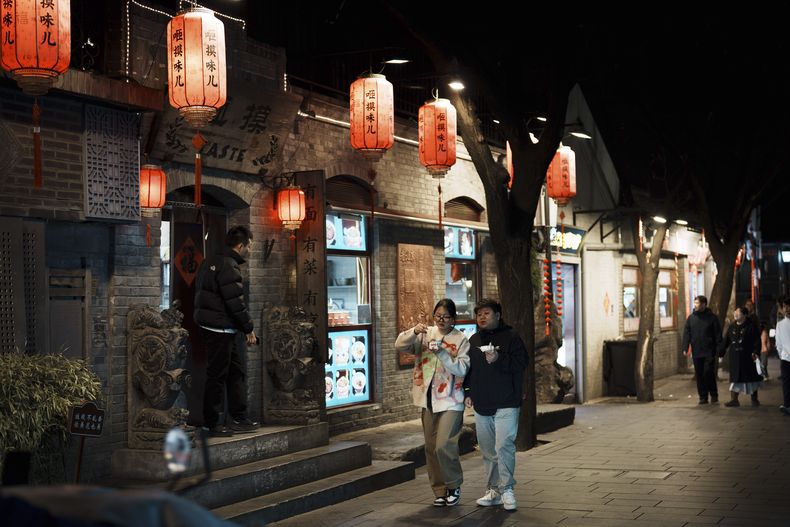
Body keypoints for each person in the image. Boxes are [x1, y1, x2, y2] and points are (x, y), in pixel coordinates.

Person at [394, 299, 470, 507]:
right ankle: (439, 490)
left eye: (446, 317)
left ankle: (454, 485)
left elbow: (462, 370)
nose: (441, 320)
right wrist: (414, 331)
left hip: (452, 401)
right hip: (427, 399)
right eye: (438, 316)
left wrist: (442, 353)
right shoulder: (426, 334)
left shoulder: (461, 339)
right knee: (430, 447)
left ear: (453, 319)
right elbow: (400, 345)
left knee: (444, 445)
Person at [194, 226, 259, 437]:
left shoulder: (210, 261)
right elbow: (235, 302)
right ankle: (211, 423)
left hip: (218, 327)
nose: (249, 250)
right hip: (219, 328)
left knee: (234, 372)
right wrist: (248, 328)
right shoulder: (229, 265)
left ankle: (238, 417)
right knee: (217, 375)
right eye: (249, 246)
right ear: (240, 246)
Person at [463, 299, 527, 512]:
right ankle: (494, 491)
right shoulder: (473, 340)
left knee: (504, 446)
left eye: (487, 313)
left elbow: (521, 363)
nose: (482, 317)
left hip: (507, 402)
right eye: (479, 314)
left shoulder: (512, 337)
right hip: (482, 403)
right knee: (488, 450)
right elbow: (470, 370)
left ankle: (507, 489)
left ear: (498, 315)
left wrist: (498, 357)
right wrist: (469, 391)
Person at [681, 295, 723, 404]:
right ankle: (703, 396)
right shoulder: (691, 318)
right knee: (699, 374)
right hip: (697, 351)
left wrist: (719, 349)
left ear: (704, 304)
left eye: (698, 303)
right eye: (695, 303)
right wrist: (685, 347)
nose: (695, 305)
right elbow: (687, 334)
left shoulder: (712, 318)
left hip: (709, 351)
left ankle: (713, 393)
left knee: (708, 372)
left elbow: (718, 334)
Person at [723, 306, 763, 407]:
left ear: (744, 315)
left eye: (738, 312)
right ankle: (734, 400)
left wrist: (755, 352)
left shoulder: (751, 326)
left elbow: (757, 341)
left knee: (751, 379)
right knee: (735, 379)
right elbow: (726, 341)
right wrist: (720, 351)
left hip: (748, 357)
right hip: (735, 358)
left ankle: (754, 399)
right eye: (735, 312)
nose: (735, 314)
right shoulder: (731, 326)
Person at [775, 297, 790, 415]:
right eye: (785, 306)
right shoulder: (780, 324)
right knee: (786, 383)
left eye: (788, 306)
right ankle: (787, 404)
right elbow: (778, 343)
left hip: (785, 357)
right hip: (785, 359)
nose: (787, 309)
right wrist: (782, 355)